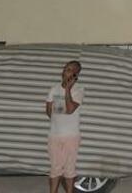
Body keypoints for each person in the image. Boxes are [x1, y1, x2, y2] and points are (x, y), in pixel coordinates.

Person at [45, 60, 84, 193]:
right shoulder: (53, 89)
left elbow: (71, 109)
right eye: (65, 68)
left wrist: (67, 89)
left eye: (69, 70)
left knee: (69, 169)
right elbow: (49, 112)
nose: (65, 71)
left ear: (75, 75)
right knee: (55, 168)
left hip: (71, 136)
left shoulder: (79, 90)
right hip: (54, 135)